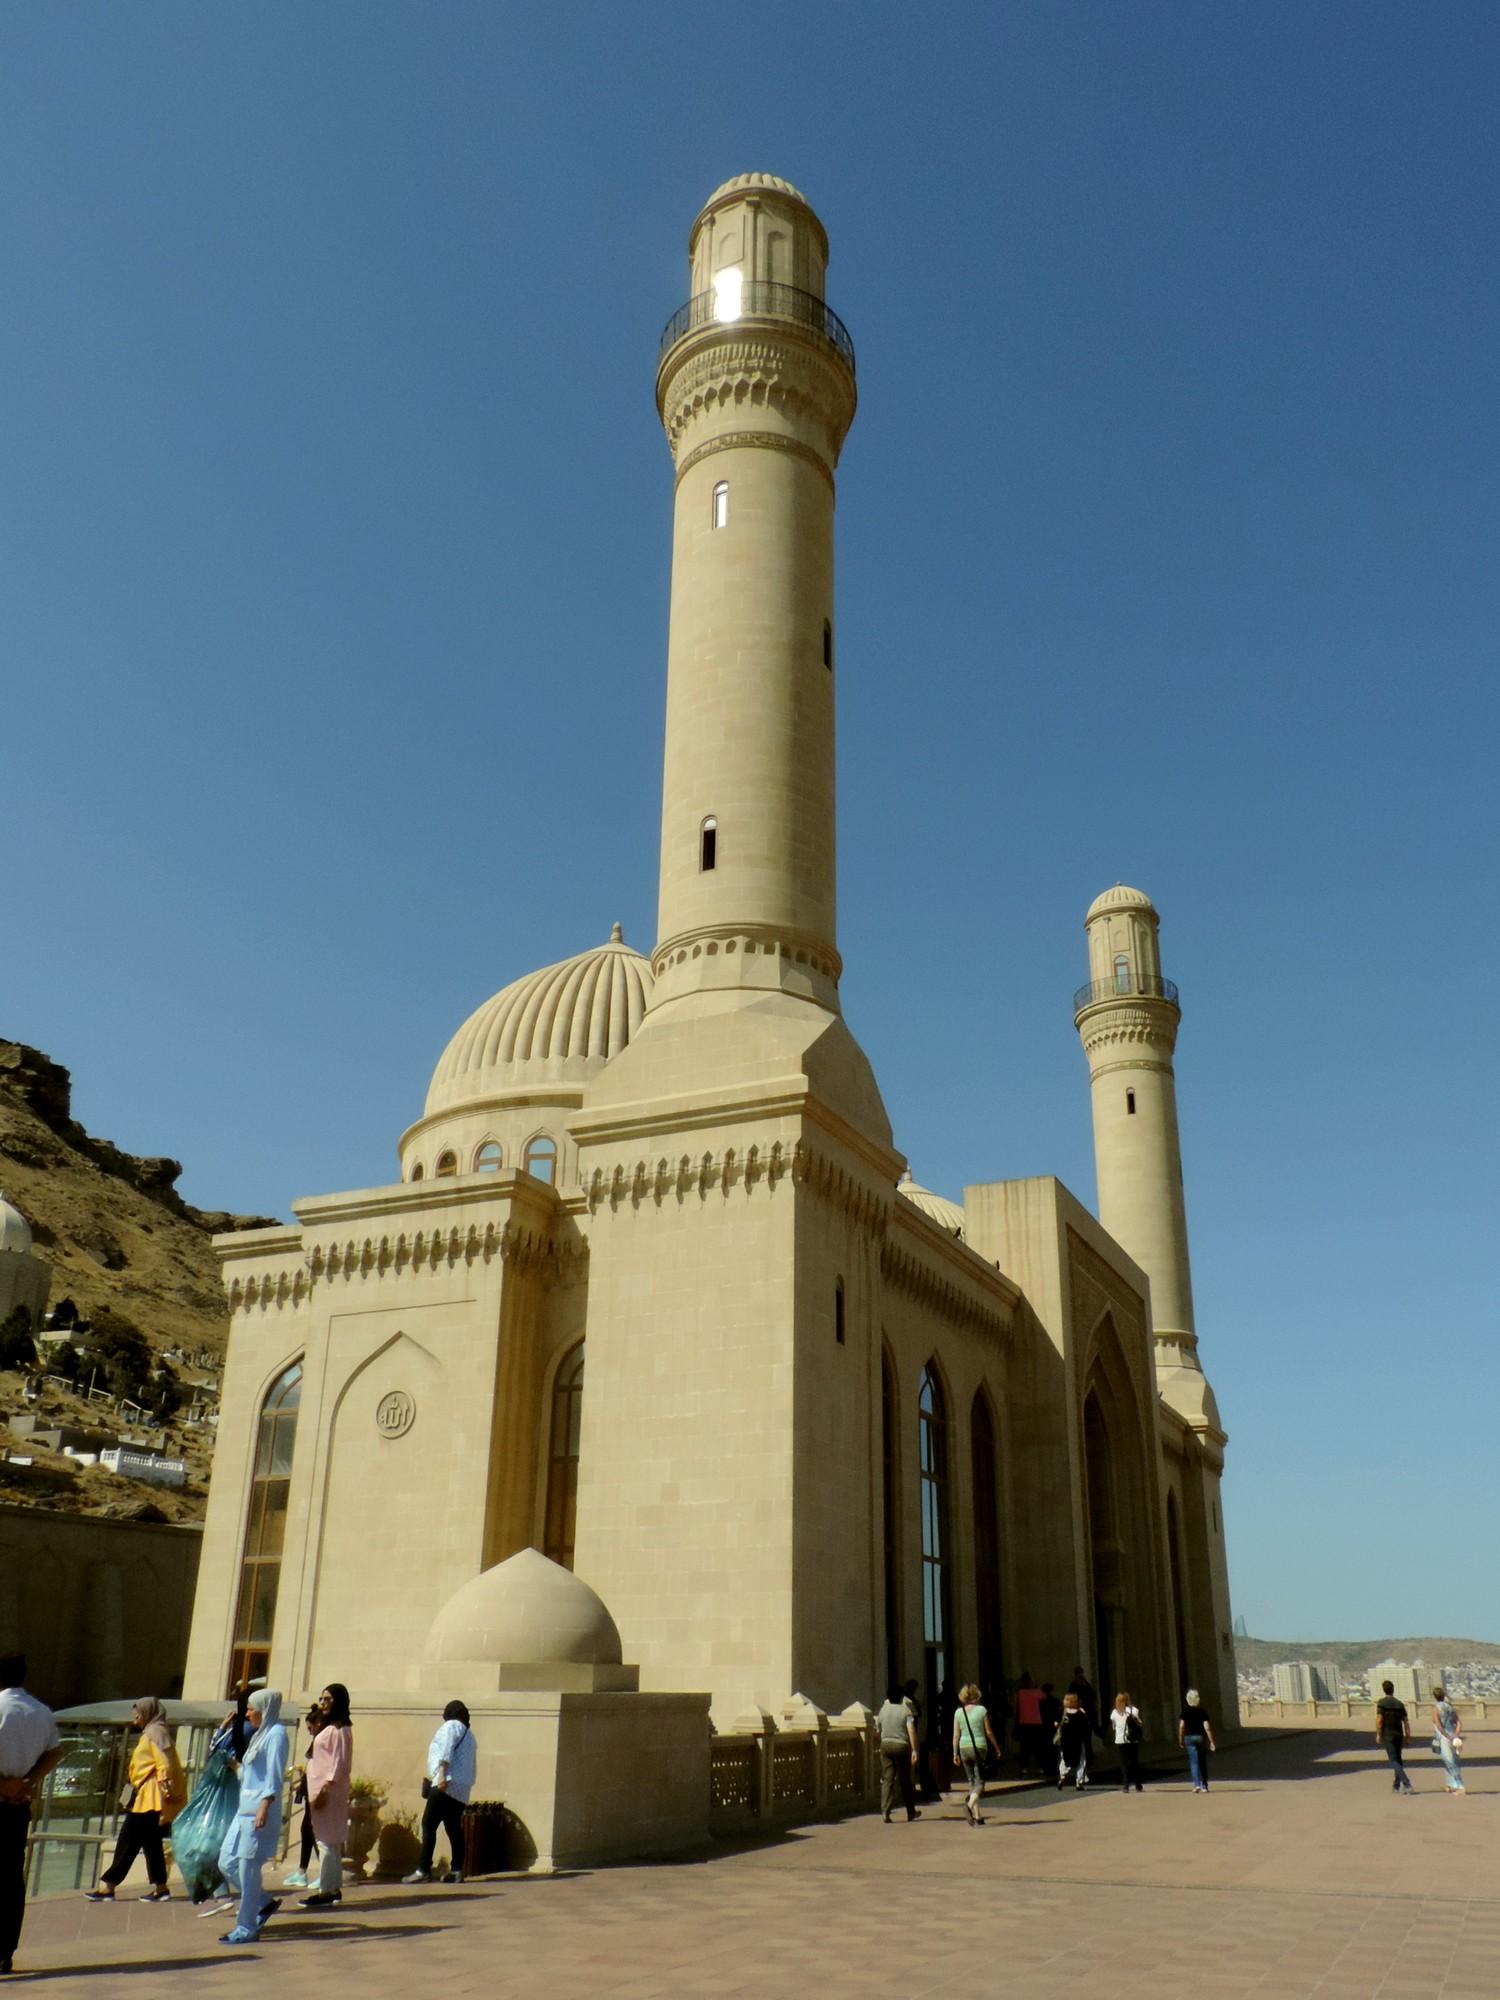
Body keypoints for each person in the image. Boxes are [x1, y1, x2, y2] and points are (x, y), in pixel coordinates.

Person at [0, 1653, 64, 1978]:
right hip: (18, 1805)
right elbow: (55, 1751)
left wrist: (5, 1784)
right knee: (11, 1875)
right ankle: (5, 1949)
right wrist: (29, 1781)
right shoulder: (41, 1711)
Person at [85, 1698, 185, 1901]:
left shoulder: (154, 1734)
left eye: (137, 1716)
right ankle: (160, 1887)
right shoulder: (155, 1732)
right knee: (151, 1842)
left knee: (128, 1840)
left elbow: (163, 1763)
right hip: (148, 1796)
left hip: (150, 1797)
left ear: (147, 1714)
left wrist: (167, 1788)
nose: (135, 1721)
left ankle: (109, 1887)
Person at [218, 1688, 290, 1944]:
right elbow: (252, 1774)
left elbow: (274, 1775)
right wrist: (235, 1767)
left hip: (258, 1813)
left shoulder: (276, 1735)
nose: (247, 1714)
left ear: (264, 1709)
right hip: (243, 1810)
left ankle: (246, 1927)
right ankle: (262, 1902)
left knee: (248, 1870)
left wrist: (265, 1805)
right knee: (227, 1862)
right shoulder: (260, 1735)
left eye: (251, 1709)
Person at [406, 1700, 477, 1881]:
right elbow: (472, 1766)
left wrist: (441, 1776)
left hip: (446, 1784)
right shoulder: (470, 1736)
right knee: (454, 1828)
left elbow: (445, 1750)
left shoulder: (451, 1726)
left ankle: (423, 1869)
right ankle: (456, 1870)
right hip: (461, 1789)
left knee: (428, 1825)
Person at [300, 1683, 352, 1907]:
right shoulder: (331, 1727)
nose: (323, 1704)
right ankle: (332, 1887)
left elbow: (338, 1763)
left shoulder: (339, 1729)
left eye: (328, 1699)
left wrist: (325, 1789)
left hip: (328, 1793)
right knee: (328, 1841)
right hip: (321, 1791)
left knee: (325, 1841)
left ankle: (326, 1891)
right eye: (321, 1699)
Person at [283, 1705, 326, 1889]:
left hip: (316, 1790)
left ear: (318, 1724)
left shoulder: (323, 1740)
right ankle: (302, 1870)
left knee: (313, 1830)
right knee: (306, 1829)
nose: (309, 1731)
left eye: (310, 1727)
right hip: (309, 1788)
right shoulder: (317, 1740)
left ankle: (323, 1872)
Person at [951, 1684, 1001, 1826]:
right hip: (979, 1747)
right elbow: (989, 1732)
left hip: (963, 1747)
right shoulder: (981, 1710)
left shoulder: (958, 1712)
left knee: (971, 1781)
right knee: (980, 1782)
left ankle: (977, 1815)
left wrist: (955, 1753)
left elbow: (955, 1735)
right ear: (976, 1695)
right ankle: (968, 1805)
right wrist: (996, 1747)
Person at [872, 1685, 922, 1825]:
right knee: (905, 1779)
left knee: (887, 1778)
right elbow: (911, 1730)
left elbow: (876, 1730)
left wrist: (881, 1742)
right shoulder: (905, 1711)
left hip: (886, 1744)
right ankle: (911, 1811)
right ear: (901, 1697)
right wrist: (914, 1750)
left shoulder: (883, 1710)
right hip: (901, 1745)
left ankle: (885, 1811)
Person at [1374, 1680, 1414, 1795]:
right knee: (1398, 1760)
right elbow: (1406, 1721)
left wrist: (1378, 1734)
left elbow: (1379, 1720)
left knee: (1394, 1761)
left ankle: (1407, 1783)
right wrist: (1407, 1736)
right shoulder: (1399, 1704)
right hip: (1399, 1734)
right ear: (1393, 1689)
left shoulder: (1382, 1703)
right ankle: (1396, 1786)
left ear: (1384, 1690)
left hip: (1388, 1734)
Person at [1178, 1689, 1216, 1792]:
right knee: (1202, 1761)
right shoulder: (1202, 1711)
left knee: (1193, 1762)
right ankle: (1205, 1785)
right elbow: (1207, 1727)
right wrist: (1211, 1741)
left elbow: (1181, 1726)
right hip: (1200, 1737)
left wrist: (1180, 1739)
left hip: (1189, 1738)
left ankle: (1196, 1784)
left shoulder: (1185, 1711)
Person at [1431, 1684, 1465, 1795]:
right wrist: (1456, 1734)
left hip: (1443, 1737)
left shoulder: (1436, 1708)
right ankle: (1450, 1784)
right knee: (1450, 1759)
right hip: (1452, 1735)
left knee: (1450, 1761)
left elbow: (1438, 1723)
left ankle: (1460, 1786)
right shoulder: (1449, 1707)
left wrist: (1445, 1734)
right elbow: (1458, 1722)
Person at [1108, 1691, 1145, 1792]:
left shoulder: (1114, 1713)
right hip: (1133, 1740)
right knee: (1135, 1763)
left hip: (1120, 1740)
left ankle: (1126, 1785)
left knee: (1124, 1764)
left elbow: (1113, 1726)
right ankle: (1138, 1784)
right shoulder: (1133, 1710)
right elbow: (1140, 1723)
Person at [1056, 1691, 1091, 1789]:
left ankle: (1062, 1776)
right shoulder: (1080, 1712)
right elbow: (1086, 1726)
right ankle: (1079, 1781)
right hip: (1078, 1741)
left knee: (1064, 1759)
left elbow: (1055, 1724)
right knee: (1081, 1761)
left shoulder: (1062, 1711)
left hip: (1065, 1741)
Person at [1013, 1673, 1045, 1775]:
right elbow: (1044, 1697)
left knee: (1024, 1747)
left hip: (1023, 1722)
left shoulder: (1020, 1692)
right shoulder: (1037, 1692)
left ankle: (1024, 1767)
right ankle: (1040, 1766)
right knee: (1038, 1747)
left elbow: (1015, 1704)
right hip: (1036, 1722)